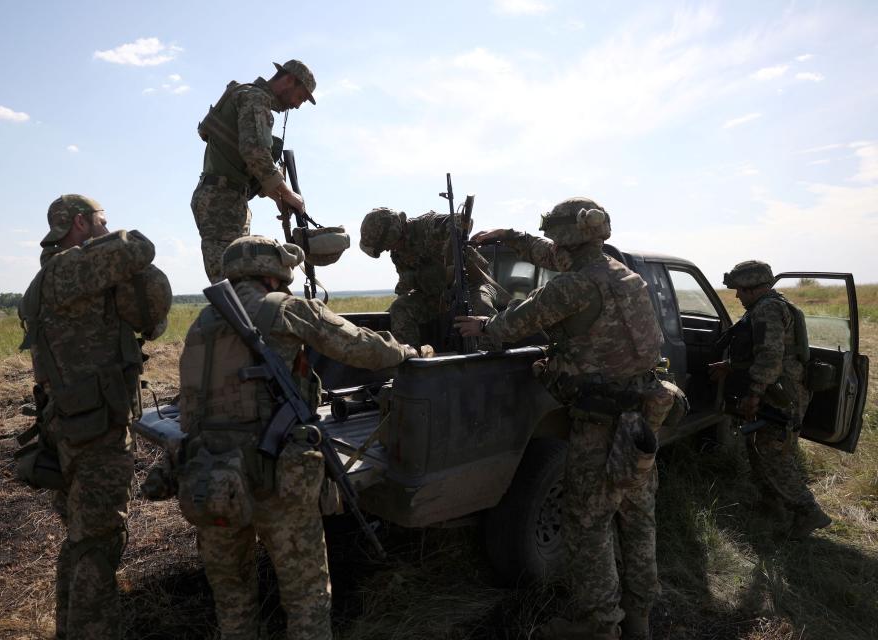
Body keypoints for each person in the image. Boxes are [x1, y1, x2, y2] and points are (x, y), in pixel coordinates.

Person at [177, 235, 431, 640]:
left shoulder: (201, 323)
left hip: (213, 474)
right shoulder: (286, 309)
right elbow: (360, 348)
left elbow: (189, 407)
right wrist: (405, 352)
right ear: (275, 271)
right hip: (277, 474)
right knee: (306, 595)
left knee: (232, 595)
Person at [456, 198, 668, 640]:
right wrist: (511, 238)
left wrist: (483, 327)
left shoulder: (571, 287)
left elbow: (511, 325)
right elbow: (549, 256)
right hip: (641, 423)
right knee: (638, 518)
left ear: (565, 237)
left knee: (588, 528)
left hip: (600, 427)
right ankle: (639, 619)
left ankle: (598, 626)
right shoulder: (626, 276)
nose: (553, 247)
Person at [17, 195, 171, 639]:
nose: (108, 227)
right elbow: (140, 249)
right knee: (100, 545)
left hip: (64, 428)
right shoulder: (73, 267)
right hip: (96, 431)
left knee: (81, 540)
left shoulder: (44, 278)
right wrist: (117, 241)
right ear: (82, 223)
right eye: (102, 221)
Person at [708, 260, 831, 539]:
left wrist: (753, 394)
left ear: (754, 288)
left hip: (779, 393)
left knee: (775, 453)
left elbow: (770, 357)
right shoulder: (769, 306)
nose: (737, 295)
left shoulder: (767, 310)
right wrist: (730, 366)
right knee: (758, 446)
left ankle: (808, 511)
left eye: (740, 289)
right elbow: (759, 351)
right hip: (776, 388)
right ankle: (771, 503)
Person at [193, 59, 317, 282]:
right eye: (300, 97)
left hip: (226, 199)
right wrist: (288, 194)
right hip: (222, 201)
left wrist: (277, 197)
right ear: (289, 80)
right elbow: (255, 152)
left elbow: (246, 161)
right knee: (231, 283)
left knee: (238, 281)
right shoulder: (255, 97)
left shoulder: (249, 96)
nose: (297, 105)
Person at [358, 206, 505, 349]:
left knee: (481, 306)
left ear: (394, 233)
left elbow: (463, 221)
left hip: (472, 284)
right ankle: (409, 357)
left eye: (388, 245)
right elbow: (405, 286)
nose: (389, 249)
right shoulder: (398, 254)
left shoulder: (427, 225)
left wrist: (450, 256)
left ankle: (491, 359)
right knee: (400, 308)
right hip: (437, 297)